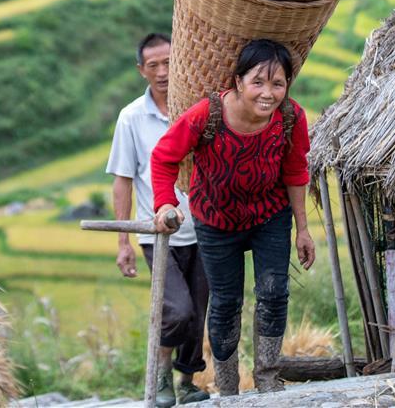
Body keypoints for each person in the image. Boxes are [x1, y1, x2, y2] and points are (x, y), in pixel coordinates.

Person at [150, 38, 316, 396]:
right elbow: (164, 158)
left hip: (269, 216)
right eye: (258, 82)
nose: (268, 93)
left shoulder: (291, 118)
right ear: (237, 82)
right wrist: (165, 203)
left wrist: (303, 229)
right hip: (216, 222)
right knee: (226, 302)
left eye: (278, 83)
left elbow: (296, 172)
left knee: (274, 292)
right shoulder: (206, 116)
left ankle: (268, 378)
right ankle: (228, 388)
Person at [105, 33, 210, 407]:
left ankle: (187, 382)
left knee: (199, 313)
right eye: (154, 66)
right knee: (177, 311)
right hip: (158, 235)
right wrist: (123, 243)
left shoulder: (199, 108)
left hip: (205, 231)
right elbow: (122, 180)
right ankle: (162, 373)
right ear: (141, 70)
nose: (163, 72)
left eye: (169, 62)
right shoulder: (131, 117)